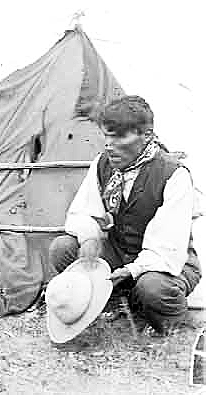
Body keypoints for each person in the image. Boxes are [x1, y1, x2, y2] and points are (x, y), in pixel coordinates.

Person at [48, 95, 201, 335]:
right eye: (106, 135)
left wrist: (133, 270)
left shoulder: (174, 174)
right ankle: (110, 303)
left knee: (152, 287)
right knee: (63, 248)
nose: (109, 144)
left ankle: (171, 323)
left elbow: (167, 246)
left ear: (147, 135)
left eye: (119, 136)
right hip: (122, 253)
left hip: (168, 263)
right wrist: (89, 238)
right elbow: (85, 211)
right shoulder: (103, 164)